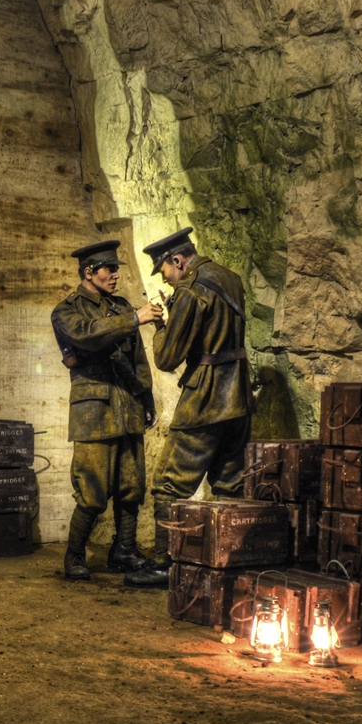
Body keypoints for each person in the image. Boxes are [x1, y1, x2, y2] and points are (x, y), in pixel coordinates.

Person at [130, 226, 252, 588]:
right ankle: (231, 564)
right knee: (229, 485)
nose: (166, 280)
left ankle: (167, 565)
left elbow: (167, 358)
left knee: (168, 485)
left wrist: (161, 326)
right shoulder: (230, 279)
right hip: (239, 397)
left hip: (206, 400)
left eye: (165, 271)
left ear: (178, 260)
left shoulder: (190, 290)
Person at [50, 239, 164, 581]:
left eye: (116, 268)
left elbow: (137, 358)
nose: (115, 275)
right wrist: (134, 318)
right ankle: (74, 555)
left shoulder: (121, 307)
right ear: (89, 272)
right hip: (94, 411)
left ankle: (124, 550)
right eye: (109, 269)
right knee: (92, 490)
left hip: (127, 404)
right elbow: (87, 335)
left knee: (131, 487)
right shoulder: (66, 311)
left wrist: (146, 398)